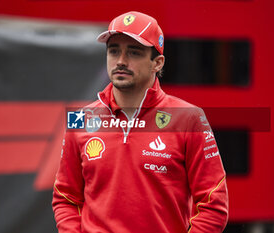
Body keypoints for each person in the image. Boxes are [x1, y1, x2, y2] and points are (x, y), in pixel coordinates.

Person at [52, 11, 229, 233]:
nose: (121, 61)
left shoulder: (190, 119)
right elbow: (65, 197)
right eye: (114, 51)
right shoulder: (79, 119)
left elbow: (213, 203)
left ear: (157, 63)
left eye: (134, 53)